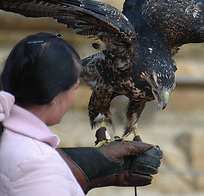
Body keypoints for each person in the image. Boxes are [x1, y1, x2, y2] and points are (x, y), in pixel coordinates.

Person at [0, 32, 162, 195]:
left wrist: (100, 161)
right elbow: (37, 172)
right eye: (74, 88)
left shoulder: (8, 139)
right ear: (54, 95)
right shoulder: (39, 165)